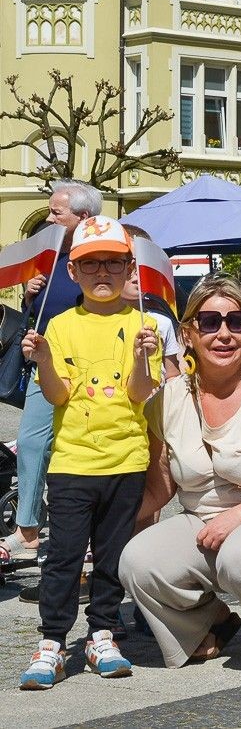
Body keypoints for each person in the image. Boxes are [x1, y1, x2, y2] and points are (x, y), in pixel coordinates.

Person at [119, 274, 241, 672]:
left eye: (237, 321)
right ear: (187, 334)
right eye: (209, 322)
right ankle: (211, 622)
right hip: (204, 524)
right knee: (137, 560)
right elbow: (159, 491)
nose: (224, 333)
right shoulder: (168, 399)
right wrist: (101, 521)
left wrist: (237, 517)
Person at [18, 216, 161, 690]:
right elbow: (58, 396)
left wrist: (143, 358)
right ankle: (53, 643)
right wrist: (42, 360)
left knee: (111, 556)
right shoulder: (58, 325)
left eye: (114, 263)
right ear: (73, 273)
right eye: (91, 264)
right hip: (73, 462)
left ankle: (102, 633)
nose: (104, 272)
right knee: (61, 557)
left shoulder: (143, 323)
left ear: (129, 269)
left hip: (126, 460)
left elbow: (141, 393)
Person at [1, 180, 95, 563]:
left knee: (78, 449)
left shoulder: (102, 255)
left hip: (91, 364)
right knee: (33, 440)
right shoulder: (50, 252)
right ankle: (27, 524)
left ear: (83, 217)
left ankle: (81, 529)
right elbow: (36, 311)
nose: (50, 216)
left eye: (58, 211)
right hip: (47, 361)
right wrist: (29, 292)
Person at [119, 224, 182, 382]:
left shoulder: (162, 322)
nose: (136, 277)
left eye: (142, 267)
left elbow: (172, 373)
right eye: (128, 269)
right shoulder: (98, 321)